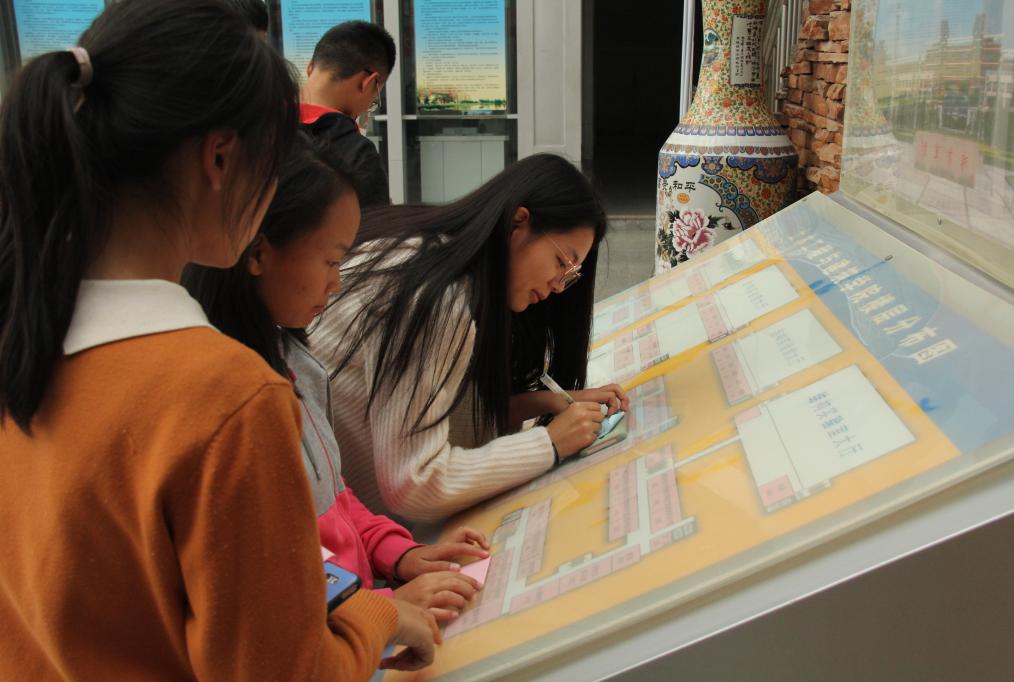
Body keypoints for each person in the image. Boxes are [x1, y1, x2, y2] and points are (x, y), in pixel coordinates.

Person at [0, 1, 435, 679]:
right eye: (276, 156)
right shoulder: (227, 395)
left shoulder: (26, 335)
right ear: (222, 157)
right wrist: (380, 618)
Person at [184, 136, 488, 624]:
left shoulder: (291, 357)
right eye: (330, 261)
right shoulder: (232, 398)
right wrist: (384, 610)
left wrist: (398, 554)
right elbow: (273, 580)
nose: (337, 282)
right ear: (258, 252)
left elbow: (333, 498)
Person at [310, 153, 630, 523]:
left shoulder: (430, 251)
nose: (559, 286)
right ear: (518, 223)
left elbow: (439, 408)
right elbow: (413, 483)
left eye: (571, 275)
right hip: (327, 528)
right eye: (562, 262)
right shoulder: (437, 298)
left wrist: (550, 401)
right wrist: (551, 443)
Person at [301, 20, 394, 209]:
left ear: (310, 67)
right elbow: (374, 227)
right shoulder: (356, 154)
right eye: (376, 94)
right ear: (368, 82)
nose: (371, 104)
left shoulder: (263, 124)